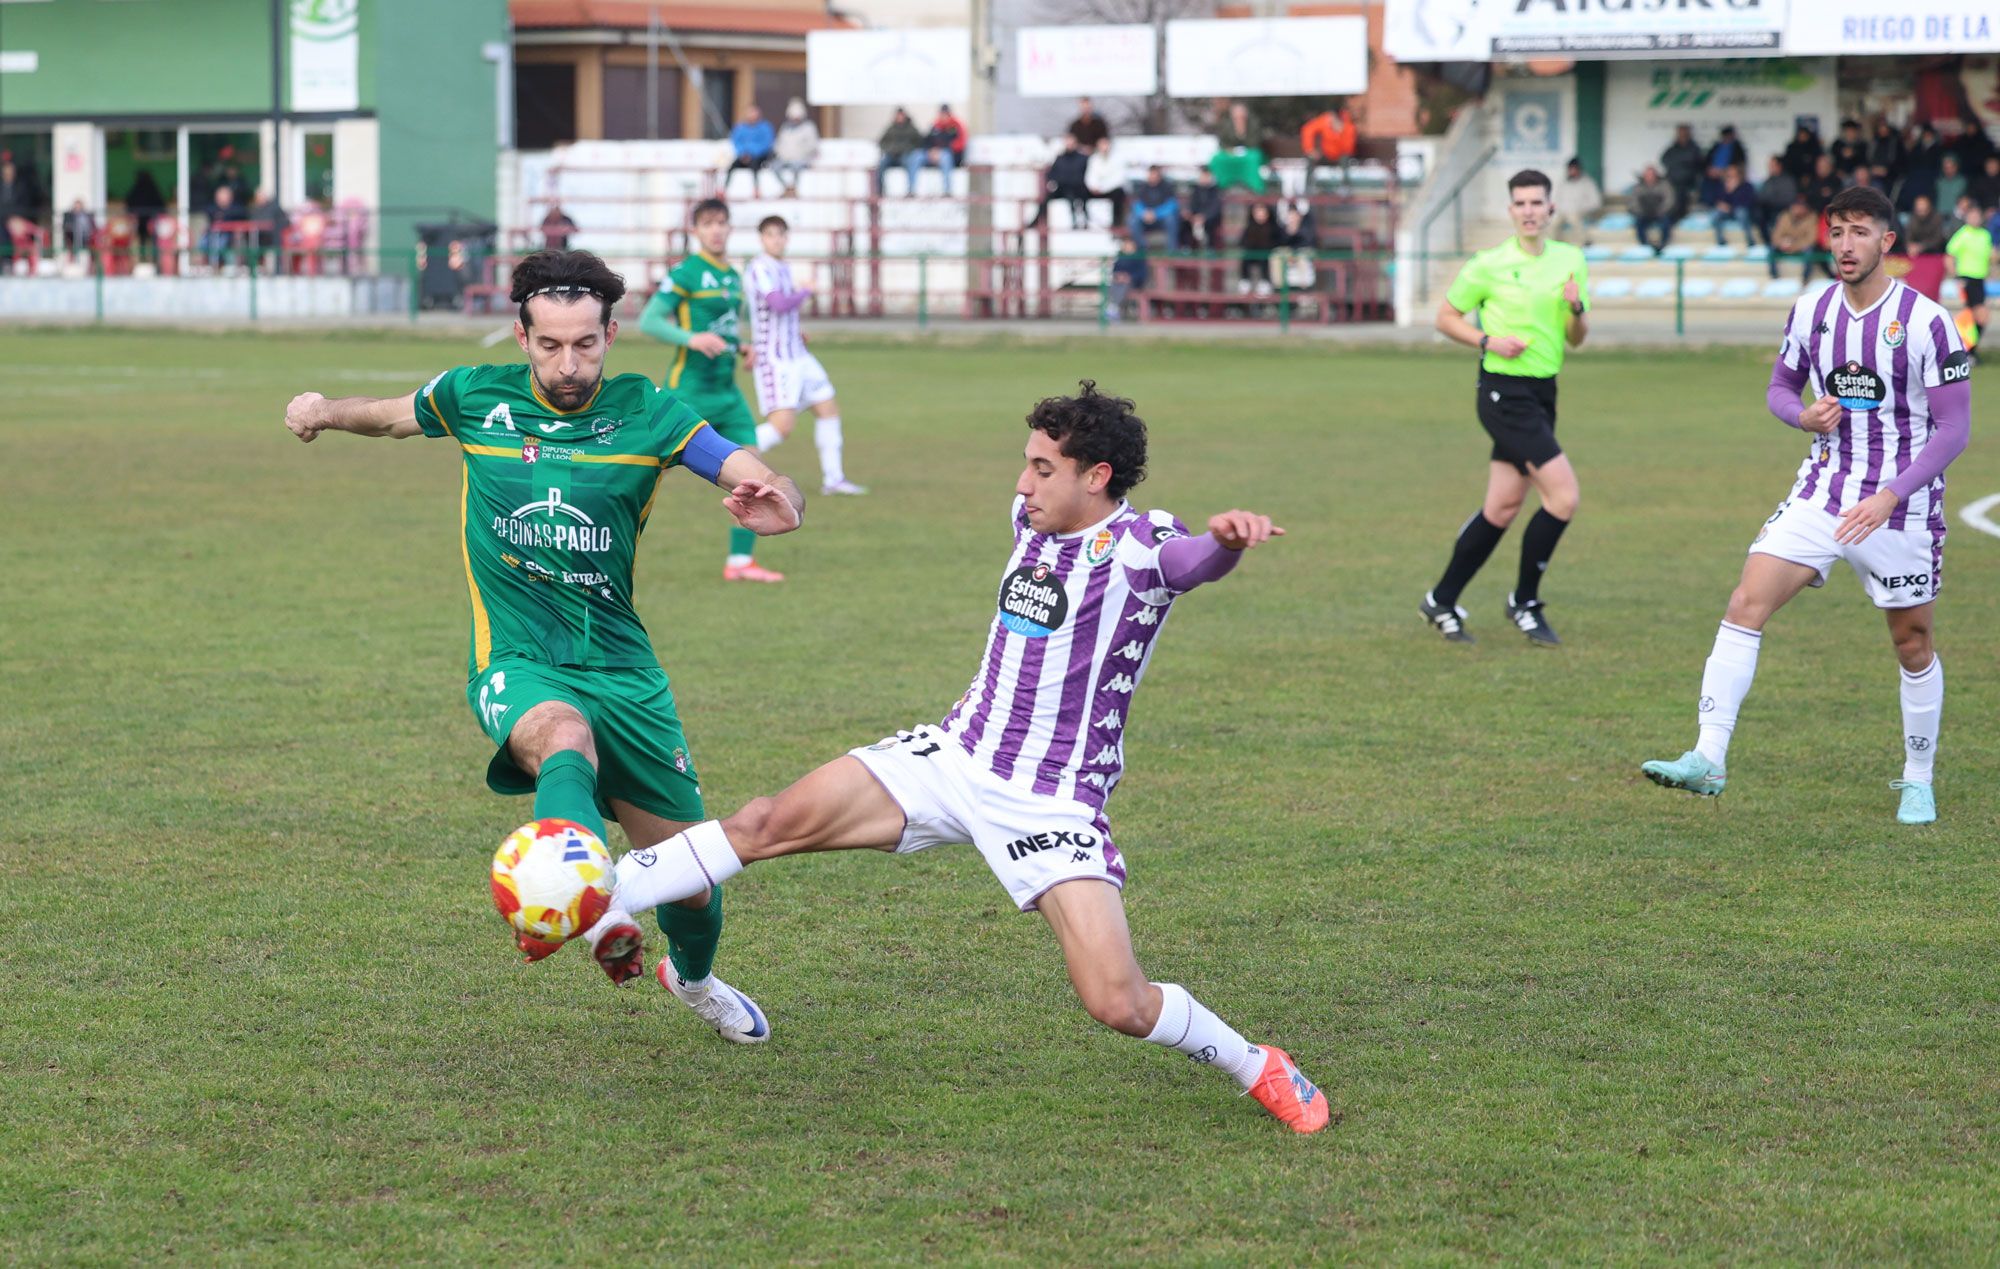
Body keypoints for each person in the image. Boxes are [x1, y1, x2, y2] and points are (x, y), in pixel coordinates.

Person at [567, 381, 1331, 1135]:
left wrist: (1226, 543)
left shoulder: (1142, 547)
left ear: (1097, 477)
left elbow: (1192, 563)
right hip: (952, 754)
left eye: (1042, 468)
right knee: (767, 820)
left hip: (1049, 798)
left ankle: (1257, 1063)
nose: (1022, 483)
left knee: (1117, 1002)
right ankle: (600, 892)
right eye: (1026, 463)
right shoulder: (1028, 521)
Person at [281, 248, 802, 1039]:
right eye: (551, 344)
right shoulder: (473, 395)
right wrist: (321, 408)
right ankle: (589, 910)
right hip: (517, 657)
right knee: (564, 733)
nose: (569, 363)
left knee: (696, 882)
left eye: (585, 344)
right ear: (520, 336)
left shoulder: (650, 412)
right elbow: (387, 415)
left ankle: (692, 980)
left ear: (611, 335)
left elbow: (750, 468)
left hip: (626, 668)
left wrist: (782, 500)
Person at [1640, 186, 1971, 826]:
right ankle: (1709, 757)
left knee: (1912, 642)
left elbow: (1955, 429)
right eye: (1838, 231)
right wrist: (1800, 415)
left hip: (1899, 507)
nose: (1846, 244)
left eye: (1860, 232)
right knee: (1745, 604)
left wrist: (1891, 494)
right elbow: (1779, 386)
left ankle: (1918, 779)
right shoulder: (1811, 310)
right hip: (1823, 490)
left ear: (1887, 242)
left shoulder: (1929, 322)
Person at [1421, 169, 1589, 647]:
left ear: (1551, 208)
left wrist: (1576, 311)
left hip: (1543, 392)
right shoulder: (1488, 264)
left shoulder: (1570, 260)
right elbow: (1445, 318)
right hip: (1502, 392)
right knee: (1563, 497)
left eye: (1537, 203)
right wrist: (1488, 339)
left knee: (1502, 506)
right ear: (1511, 210)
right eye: (1521, 204)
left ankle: (1441, 598)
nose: (1530, 211)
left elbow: (1577, 339)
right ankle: (1525, 602)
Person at [639, 199, 783, 583]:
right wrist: (691, 338)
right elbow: (649, 320)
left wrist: (743, 348)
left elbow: (725, 329)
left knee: (754, 476)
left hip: (728, 393)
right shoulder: (687, 273)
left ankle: (740, 562)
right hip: (689, 391)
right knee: (641, 472)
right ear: (696, 231)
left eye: (722, 222)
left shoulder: (733, 277)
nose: (716, 230)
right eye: (708, 223)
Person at [743, 215, 864, 496]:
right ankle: (728, 455)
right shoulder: (759, 268)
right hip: (776, 360)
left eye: (781, 234)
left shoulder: (782, 268)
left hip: (799, 355)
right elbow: (778, 304)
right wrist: (805, 291)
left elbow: (783, 313)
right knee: (782, 427)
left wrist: (797, 331)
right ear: (762, 238)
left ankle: (834, 479)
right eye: (771, 234)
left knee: (828, 408)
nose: (777, 239)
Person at [1945, 196, 1992, 358]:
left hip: (1979, 280)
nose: (1974, 218)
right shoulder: (1963, 234)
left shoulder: (1985, 235)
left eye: (1977, 215)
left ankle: (1967, 351)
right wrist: (1957, 277)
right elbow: (1949, 255)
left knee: (1976, 317)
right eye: (1971, 216)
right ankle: (1969, 351)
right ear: (1966, 218)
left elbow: (1989, 256)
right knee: (1979, 315)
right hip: (1967, 279)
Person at [1025, 136, 1092, 231]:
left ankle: (1078, 222)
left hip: (1077, 189)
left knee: (1072, 197)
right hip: (1061, 188)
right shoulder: (1060, 158)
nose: (1069, 145)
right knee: (1045, 199)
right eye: (1067, 143)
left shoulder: (1082, 158)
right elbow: (1052, 174)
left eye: (1071, 143)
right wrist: (1053, 183)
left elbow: (1086, 175)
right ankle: (1036, 220)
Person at [908, 104, 967, 195]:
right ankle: (911, 190)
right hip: (932, 153)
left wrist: (942, 150)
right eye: (941, 114)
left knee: (946, 157)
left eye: (945, 114)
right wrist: (931, 150)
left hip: (949, 155)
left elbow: (960, 143)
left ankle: (947, 190)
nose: (943, 116)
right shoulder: (935, 125)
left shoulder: (956, 126)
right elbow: (926, 141)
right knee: (916, 156)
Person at [1209, 102, 1267, 193]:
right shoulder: (1226, 125)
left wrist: (1242, 132)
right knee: (1218, 159)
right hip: (1231, 153)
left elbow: (1256, 142)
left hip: (1249, 153)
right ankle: (1223, 186)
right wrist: (1230, 149)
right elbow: (1223, 142)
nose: (1239, 118)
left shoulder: (1254, 124)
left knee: (1253, 158)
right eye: (1236, 116)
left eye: (1241, 116)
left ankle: (1254, 187)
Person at [771, 98, 819, 197]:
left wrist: (800, 154)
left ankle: (795, 188)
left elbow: (812, 145)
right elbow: (779, 144)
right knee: (774, 166)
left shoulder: (808, 127)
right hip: (785, 158)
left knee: (797, 167)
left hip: (801, 159)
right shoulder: (785, 128)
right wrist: (781, 154)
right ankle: (787, 188)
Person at [1127, 166, 1180, 252]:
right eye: (1151, 174)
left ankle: (1172, 252)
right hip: (1146, 218)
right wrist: (1144, 213)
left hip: (1161, 219)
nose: (1152, 177)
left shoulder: (1166, 187)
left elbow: (1172, 205)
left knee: (1171, 219)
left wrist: (1156, 214)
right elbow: (1136, 204)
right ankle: (1142, 249)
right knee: (1133, 220)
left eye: (1155, 174)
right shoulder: (1142, 187)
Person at [1300, 104, 1357, 184]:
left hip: (1340, 156)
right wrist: (1310, 149)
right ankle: (1309, 188)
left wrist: (1340, 133)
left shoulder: (1348, 127)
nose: (1330, 119)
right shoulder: (1325, 120)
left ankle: (1345, 187)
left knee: (1345, 159)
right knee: (1311, 158)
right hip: (1326, 154)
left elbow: (1348, 149)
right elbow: (1308, 129)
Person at [1768, 194, 1819, 281]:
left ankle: (1805, 279)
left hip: (1800, 245)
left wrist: (1793, 246)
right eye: (1796, 206)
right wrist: (1781, 243)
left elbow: (1811, 239)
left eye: (1801, 207)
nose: (1798, 209)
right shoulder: (1784, 216)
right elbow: (1776, 235)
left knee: (1809, 250)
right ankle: (1774, 277)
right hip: (1785, 244)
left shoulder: (1812, 217)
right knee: (1771, 249)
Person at [728, 105, 775, 198]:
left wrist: (752, 153)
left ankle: (756, 188)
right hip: (743, 156)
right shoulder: (740, 128)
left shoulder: (765, 127)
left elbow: (766, 143)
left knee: (754, 166)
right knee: (732, 166)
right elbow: (736, 142)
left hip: (759, 156)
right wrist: (743, 153)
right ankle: (724, 189)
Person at [875, 108, 923, 197]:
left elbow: (919, 142)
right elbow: (882, 142)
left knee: (910, 163)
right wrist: (889, 149)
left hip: (905, 155)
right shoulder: (891, 128)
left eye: (901, 115)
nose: (899, 117)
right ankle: (879, 191)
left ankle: (910, 190)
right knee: (881, 164)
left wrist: (908, 149)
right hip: (891, 155)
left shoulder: (911, 128)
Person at [1553, 157, 1602, 244]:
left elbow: (1596, 202)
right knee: (1553, 223)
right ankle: (1555, 245)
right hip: (1563, 212)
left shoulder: (1588, 183)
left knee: (1574, 220)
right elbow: (1556, 199)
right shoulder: (1563, 183)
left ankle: (1578, 246)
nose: (1572, 171)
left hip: (1580, 212)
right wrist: (1560, 209)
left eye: (1574, 169)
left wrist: (1580, 208)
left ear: (1579, 169)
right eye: (1570, 169)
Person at [1660, 124, 1704, 220]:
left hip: (1688, 182)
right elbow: (1664, 160)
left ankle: (1678, 219)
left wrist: (1683, 165)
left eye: (1684, 132)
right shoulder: (1673, 148)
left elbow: (1699, 165)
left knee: (1681, 197)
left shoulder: (1694, 148)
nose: (1682, 135)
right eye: (1680, 133)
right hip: (1672, 181)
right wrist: (1680, 163)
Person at [1754, 155, 1798, 250]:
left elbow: (1789, 199)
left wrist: (1771, 201)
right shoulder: (1768, 181)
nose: (1770, 168)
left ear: (1779, 166)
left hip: (1783, 210)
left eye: (1772, 165)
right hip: (1768, 210)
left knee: (1779, 217)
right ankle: (1769, 243)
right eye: (1769, 165)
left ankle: (1776, 245)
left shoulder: (1788, 180)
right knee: (1758, 214)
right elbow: (1761, 198)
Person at [1083, 139, 1128, 229]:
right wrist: (1094, 187)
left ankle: (1116, 223)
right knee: (1081, 192)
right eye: (1101, 145)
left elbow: (1118, 179)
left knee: (1119, 193)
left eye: (1105, 145)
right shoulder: (1094, 159)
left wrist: (1102, 188)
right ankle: (1085, 221)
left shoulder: (1118, 158)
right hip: (1096, 190)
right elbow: (1090, 176)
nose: (1104, 148)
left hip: (1111, 189)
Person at [1630, 166, 1675, 255]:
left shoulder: (1664, 185)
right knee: (1638, 223)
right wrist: (1641, 211)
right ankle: (1645, 246)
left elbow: (1669, 200)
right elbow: (1633, 202)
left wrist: (1661, 211)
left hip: (1660, 213)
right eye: (1647, 174)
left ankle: (1663, 245)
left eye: (1651, 174)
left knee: (1666, 223)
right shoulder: (1638, 187)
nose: (1649, 176)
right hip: (1644, 214)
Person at [1710, 165, 1757, 248]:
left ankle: (1750, 240)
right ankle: (1721, 240)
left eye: (1733, 174)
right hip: (1727, 212)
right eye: (1729, 174)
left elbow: (1747, 202)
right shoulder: (1723, 186)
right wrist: (1727, 193)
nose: (1731, 177)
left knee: (1741, 213)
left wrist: (1735, 190)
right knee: (1715, 214)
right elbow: (1717, 200)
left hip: (1739, 211)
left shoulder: (1746, 186)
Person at [1237, 202, 1277, 296]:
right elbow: (1242, 242)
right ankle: (1245, 281)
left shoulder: (1273, 227)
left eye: (1262, 211)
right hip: (1252, 256)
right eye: (1257, 212)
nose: (1260, 214)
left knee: (1265, 257)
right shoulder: (1250, 227)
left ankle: (1265, 282)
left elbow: (1277, 242)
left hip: (1267, 257)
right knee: (1245, 257)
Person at [1105, 231, 1147, 322]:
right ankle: (1113, 309)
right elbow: (1115, 270)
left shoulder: (1139, 257)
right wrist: (1118, 276)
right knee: (1113, 285)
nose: (1127, 246)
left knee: (1123, 286)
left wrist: (1129, 277)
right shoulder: (1120, 257)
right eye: (1125, 244)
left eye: (1129, 244)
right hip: (1119, 281)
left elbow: (1142, 273)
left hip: (1134, 282)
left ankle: (1113, 308)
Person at [1179, 167, 1222, 253]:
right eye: (1202, 176)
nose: (1204, 178)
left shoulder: (1215, 190)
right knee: (1183, 222)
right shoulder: (1196, 189)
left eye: (1206, 176)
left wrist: (1204, 216)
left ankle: (1210, 248)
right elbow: (1192, 204)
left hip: (1209, 217)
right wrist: (1191, 215)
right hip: (1195, 216)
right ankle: (1186, 247)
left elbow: (1215, 207)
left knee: (1211, 223)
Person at [201, 184, 240, 269]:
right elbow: (209, 215)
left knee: (219, 243)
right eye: (219, 195)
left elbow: (238, 217)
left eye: (224, 195)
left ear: (230, 197)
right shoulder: (212, 207)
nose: (221, 198)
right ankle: (207, 266)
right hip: (212, 234)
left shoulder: (236, 208)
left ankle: (216, 265)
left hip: (229, 235)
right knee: (202, 242)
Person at [1868, 119, 1906, 193]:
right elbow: (1869, 159)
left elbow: (1901, 163)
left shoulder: (1896, 143)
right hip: (1874, 176)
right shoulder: (1874, 142)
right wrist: (1873, 169)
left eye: (1884, 127)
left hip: (1891, 177)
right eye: (1880, 127)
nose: (1883, 130)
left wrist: (1886, 171)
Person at [61, 198, 96, 264]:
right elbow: (65, 226)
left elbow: (92, 226)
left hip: (87, 236)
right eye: (76, 206)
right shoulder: (68, 215)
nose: (77, 208)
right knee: (76, 231)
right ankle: (73, 260)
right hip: (72, 235)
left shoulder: (88, 215)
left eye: (79, 206)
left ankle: (92, 263)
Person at [1934, 155, 1968, 220]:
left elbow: (1965, 199)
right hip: (1940, 215)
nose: (1948, 170)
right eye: (1946, 168)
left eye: (1951, 167)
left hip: (1956, 216)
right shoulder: (1939, 182)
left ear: (1956, 167)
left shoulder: (1962, 182)